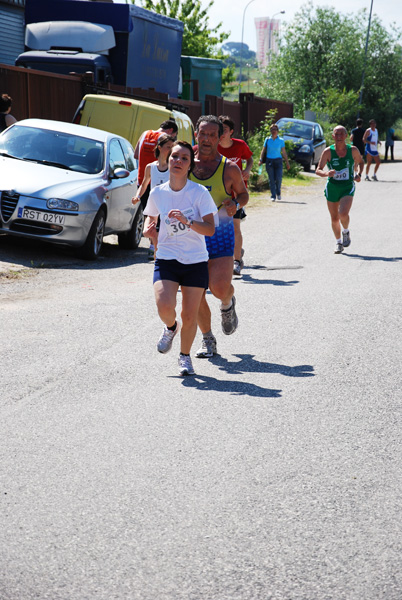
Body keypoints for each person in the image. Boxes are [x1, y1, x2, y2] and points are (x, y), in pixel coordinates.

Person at [143, 141, 217, 376]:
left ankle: (185, 357)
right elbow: (150, 217)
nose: (178, 161)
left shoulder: (199, 193)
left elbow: (210, 229)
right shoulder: (158, 193)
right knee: (164, 305)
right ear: (168, 160)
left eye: (184, 158)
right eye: (175, 157)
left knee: (189, 313)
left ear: (189, 165)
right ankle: (170, 328)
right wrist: (148, 229)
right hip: (166, 256)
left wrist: (188, 222)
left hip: (195, 260)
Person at [190, 115, 249, 359]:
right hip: (191, 237)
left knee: (219, 287)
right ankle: (207, 339)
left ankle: (228, 302)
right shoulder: (185, 161)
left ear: (220, 137)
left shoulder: (229, 168)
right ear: (196, 135)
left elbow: (243, 195)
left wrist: (235, 203)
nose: (206, 139)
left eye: (212, 135)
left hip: (220, 233)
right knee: (195, 292)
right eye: (202, 134)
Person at [316, 125, 364, 254]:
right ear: (333, 136)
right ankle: (338, 242)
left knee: (343, 213)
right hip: (332, 187)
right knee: (334, 218)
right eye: (336, 134)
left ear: (346, 136)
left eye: (341, 134)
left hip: (347, 186)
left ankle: (346, 231)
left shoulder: (352, 150)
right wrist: (327, 174)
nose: (339, 137)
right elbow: (318, 170)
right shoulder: (328, 151)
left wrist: (358, 175)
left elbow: (360, 162)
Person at [217, 115, 253, 276]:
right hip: (217, 193)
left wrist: (247, 169)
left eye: (224, 130)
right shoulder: (212, 147)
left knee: (235, 226)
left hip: (237, 194)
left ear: (231, 131)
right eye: (219, 129)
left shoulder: (239, 145)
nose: (221, 133)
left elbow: (249, 158)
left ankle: (237, 261)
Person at [132, 133, 175, 258]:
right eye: (168, 146)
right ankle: (154, 250)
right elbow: (144, 184)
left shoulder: (173, 167)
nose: (171, 149)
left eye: (173, 147)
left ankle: (162, 253)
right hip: (155, 204)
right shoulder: (150, 167)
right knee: (151, 230)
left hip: (169, 205)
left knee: (166, 232)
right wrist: (137, 196)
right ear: (160, 147)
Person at [134, 119, 178, 204]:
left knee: (146, 211)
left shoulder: (145, 133)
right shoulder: (164, 138)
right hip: (157, 180)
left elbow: (136, 155)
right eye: (174, 136)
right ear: (171, 130)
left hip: (141, 179)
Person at [258, 123, 290, 201]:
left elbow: (284, 152)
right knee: (271, 179)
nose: (273, 131)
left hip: (278, 161)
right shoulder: (267, 139)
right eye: (272, 129)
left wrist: (287, 162)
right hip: (269, 161)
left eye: (275, 129)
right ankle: (273, 195)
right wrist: (260, 159)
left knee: (278, 178)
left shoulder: (281, 140)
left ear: (278, 131)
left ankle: (278, 192)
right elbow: (263, 150)